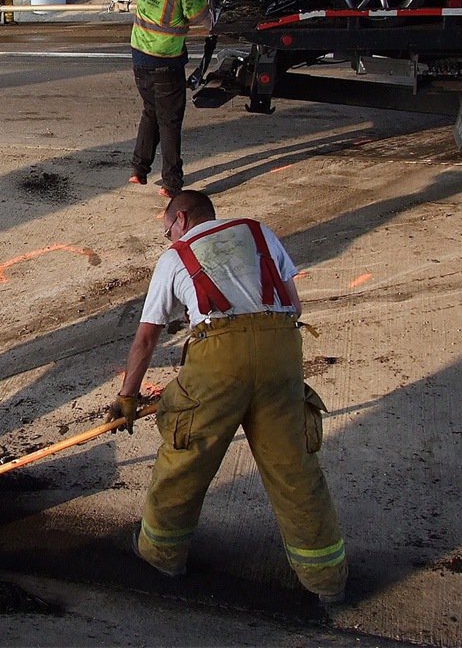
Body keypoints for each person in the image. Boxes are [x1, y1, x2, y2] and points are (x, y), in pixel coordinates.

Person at [107, 189, 347, 605]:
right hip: (282, 352)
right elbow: (294, 304)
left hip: (218, 361)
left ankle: (162, 554)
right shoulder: (259, 233)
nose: (169, 239)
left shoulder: (175, 257)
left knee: (186, 458)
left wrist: (127, 397)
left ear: (181, 219)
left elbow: (147, 338)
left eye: (168, 231)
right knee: (294, 468)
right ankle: (326, 577)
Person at [128, 0, 218, 198]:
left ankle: (138, 169)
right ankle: (171, 183)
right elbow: (203, 19)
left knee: (150, 111)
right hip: (166, 60)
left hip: (139, 55)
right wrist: (215, 21)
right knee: (169, 121)